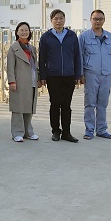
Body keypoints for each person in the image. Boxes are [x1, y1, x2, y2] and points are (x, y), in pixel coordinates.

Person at [38, 9, 82, 142]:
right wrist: (42, 76)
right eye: (56, 18)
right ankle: (56, 131)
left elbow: (77, 56)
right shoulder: (46, 37)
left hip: (69, 75)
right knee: (55, 104)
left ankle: (66, 132)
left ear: (64, 20)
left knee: (66, 105)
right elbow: (42, 58)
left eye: (61, 18)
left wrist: (78, 74)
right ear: (51, 20)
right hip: (53, 76)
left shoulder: (71, 36)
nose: (58, 21)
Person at [78, 10, 111, 140]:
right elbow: (79, 56)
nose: (98, 21)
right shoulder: (84, 37)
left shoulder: (109, 36)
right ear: (91, 20)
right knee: (90, 103)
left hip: (106, 75)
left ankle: (101, 129)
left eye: (100, 19)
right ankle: (89, 130)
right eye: (95, 19)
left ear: (104, 20)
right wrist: (81, 74)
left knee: (103, 104)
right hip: (91, 74)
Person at [7, 22, 40, 142]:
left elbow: (35, 65)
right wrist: (12, 81)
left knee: (29, 107)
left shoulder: (32, 48)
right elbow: (10, 67)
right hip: (19, 82)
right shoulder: (13, 48)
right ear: (17, 32)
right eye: (21, 30)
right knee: (18, 108)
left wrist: (38, 79)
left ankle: (28, 132)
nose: (24, 32)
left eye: (26, 30)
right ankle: (17, 132)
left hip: (32, 81)